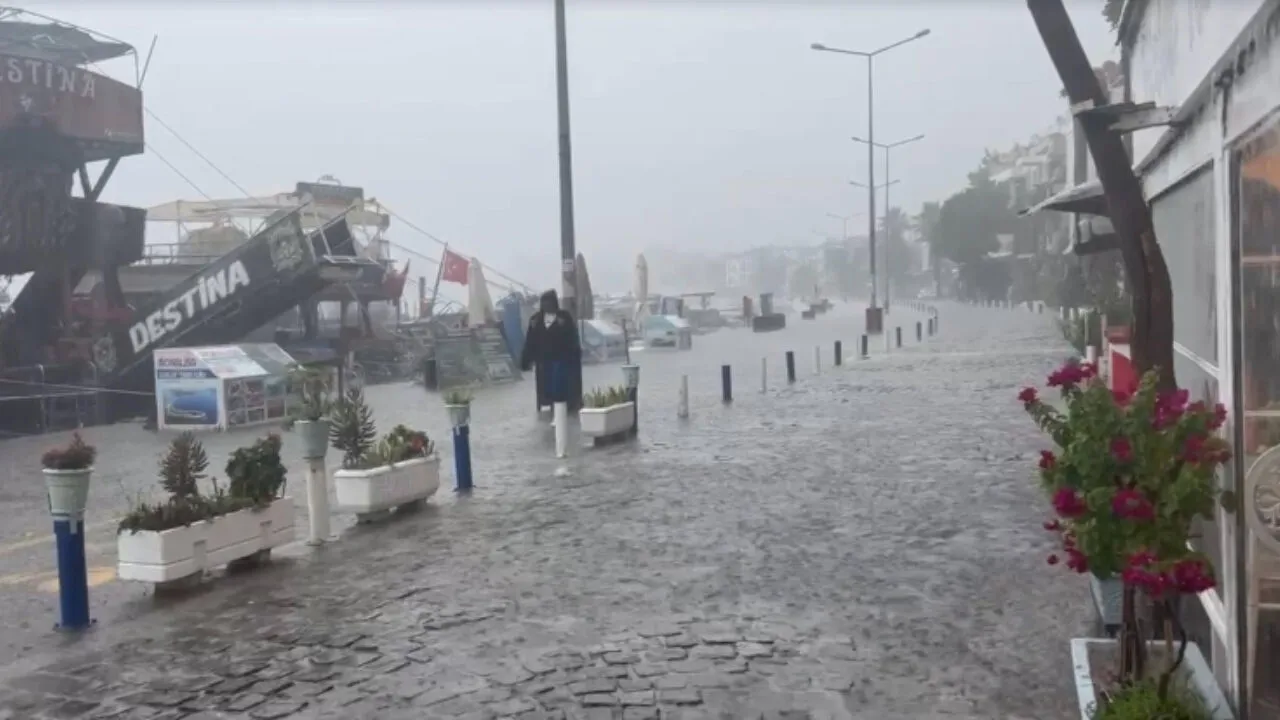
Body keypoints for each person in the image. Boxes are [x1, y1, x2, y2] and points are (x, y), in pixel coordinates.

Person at [520, 289, 582, 413]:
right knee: (545, 386)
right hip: (543, 360)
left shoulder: (564, 317)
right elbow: (530, 340)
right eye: (544, 302)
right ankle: (550, 405)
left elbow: (572, 337)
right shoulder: (536, 319)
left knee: (560, 385)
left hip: (562, 359)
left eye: (549, 302)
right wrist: (526, 359)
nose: (546, 305)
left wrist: (574, 355)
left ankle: (564, 406)